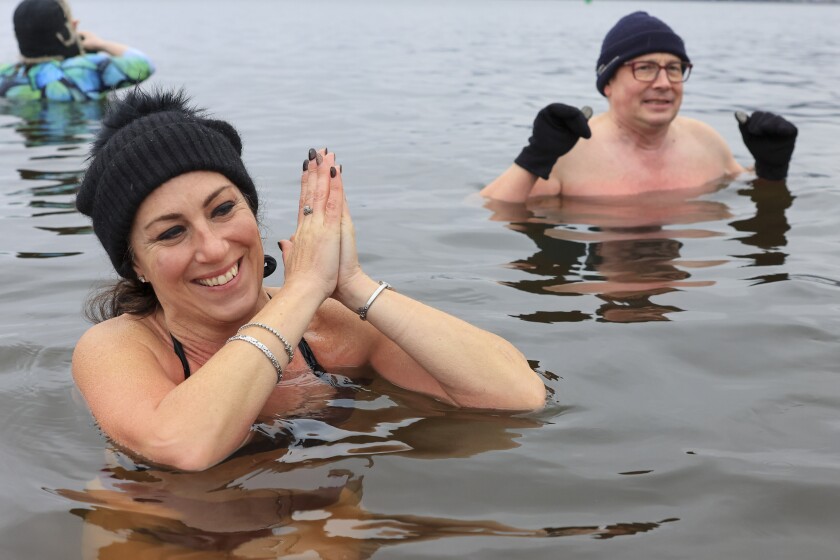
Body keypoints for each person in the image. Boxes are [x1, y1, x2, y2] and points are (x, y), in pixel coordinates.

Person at [72, 87, 546, 472]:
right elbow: (184, 447)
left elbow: (517, 397)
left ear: (253, 214)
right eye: (172, 232)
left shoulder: (330, 326)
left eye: (223, 209)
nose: (213, 248)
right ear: (135, 264)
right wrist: (301, 289)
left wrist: (353, 284)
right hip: (166, 532)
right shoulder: (118, 348)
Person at [480, 11, 798, 202]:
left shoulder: (706, 140)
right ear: (608, 83)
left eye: (674, 68)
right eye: (644, 68)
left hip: (682, 289)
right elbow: (491, 213)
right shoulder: (570, 152)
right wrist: (534, 158)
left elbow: (759, 197)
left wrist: (771, 170)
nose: (663, 82)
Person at [0, 0, 154, 101]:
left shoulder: (5, 73)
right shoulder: (85, 69)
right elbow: (144, 65)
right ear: (63, 33)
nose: (76, 22)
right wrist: (101, 44)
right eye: (68, 20)